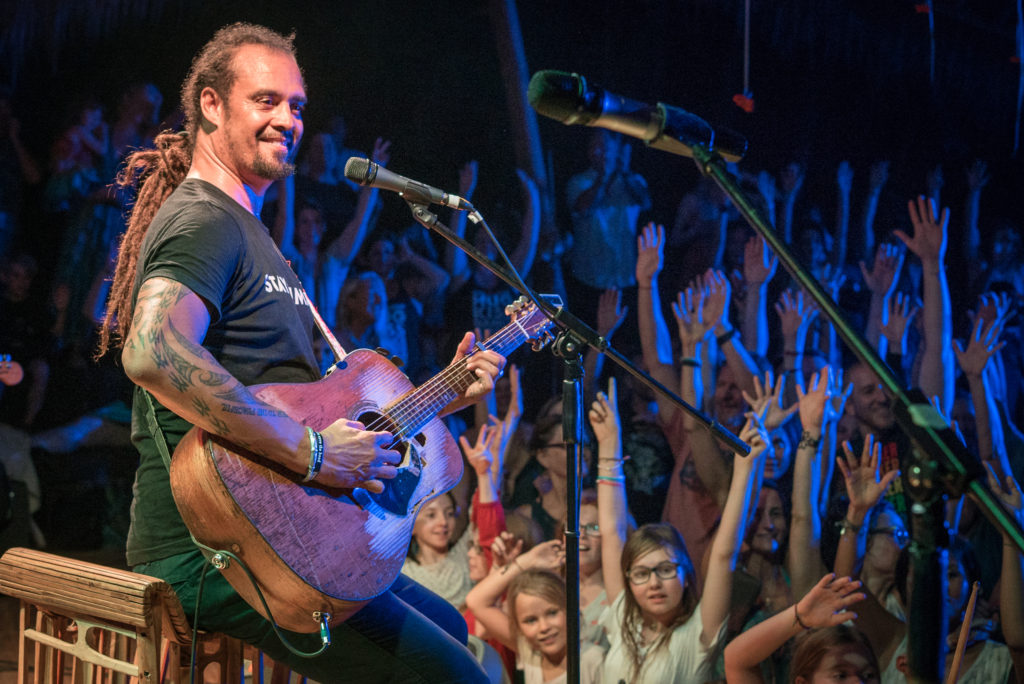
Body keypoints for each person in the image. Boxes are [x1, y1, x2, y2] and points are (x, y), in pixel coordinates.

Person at [96, 23, 503, 683]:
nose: (288, 119)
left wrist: (449, 393)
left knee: (454, 627)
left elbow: (316, 404)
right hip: (217, 550)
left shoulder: (251, 234)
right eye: (266, 100)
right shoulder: (204, 218)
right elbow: (151, 348)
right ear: (209, 105)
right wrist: (312, 452)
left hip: (284, 530)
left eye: (297, 105)